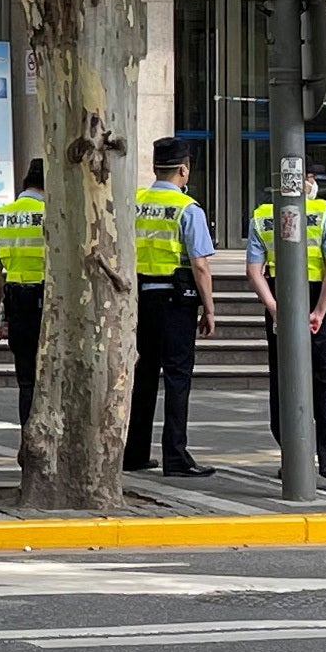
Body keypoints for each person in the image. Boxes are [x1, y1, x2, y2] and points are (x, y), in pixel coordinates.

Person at [248, 180, 326, 491]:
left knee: (283, 379)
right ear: (306, 182)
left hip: (280, 297)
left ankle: (293, 457)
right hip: (318, 300)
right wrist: (320, 312)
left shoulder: (262, 216)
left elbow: (253, 270)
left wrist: (274, 308)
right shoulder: (325, 214)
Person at [123, 138, 218, 477]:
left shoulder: (133, 203)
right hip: (175, 302)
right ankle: (175, 456)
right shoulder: (187, 209)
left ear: (154, 168)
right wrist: (209, 309)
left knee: (144, 374)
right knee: (177, 377)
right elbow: (200, 265)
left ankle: (133, 452)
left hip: (138, 300)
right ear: (183, 169)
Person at [0, 160, 47, 431]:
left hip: (16, 302)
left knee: (26, 381)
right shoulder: (54, 214)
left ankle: (29, 439)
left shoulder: (1, 216)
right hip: (49, 303)